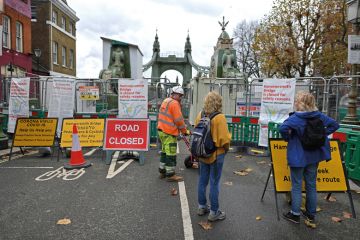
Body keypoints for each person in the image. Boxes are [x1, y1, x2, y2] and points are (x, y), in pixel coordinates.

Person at [279, 91, 339, 228]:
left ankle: (295, 214)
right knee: (311, 184)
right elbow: (335, 125)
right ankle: (310, 214)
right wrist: (322, 135)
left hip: (297, 157)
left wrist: (287, 138)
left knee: (297, 186)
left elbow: (282, 128)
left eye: (296, 101)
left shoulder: (295, 119)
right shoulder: (320, 117)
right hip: (314, 156)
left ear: (300, 103)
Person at [195, 91, 231, 222]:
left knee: (202, 181)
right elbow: (224, 140)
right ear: (218, 103)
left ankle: (201, 207)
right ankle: (214, 212)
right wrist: (226, 150)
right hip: (216, 154)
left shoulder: (200, 114)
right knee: (214, 183)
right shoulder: (219, 117)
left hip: (202, 153)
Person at [157, 86, 190, 182]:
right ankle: (170, 174)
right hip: (169, 132)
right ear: (176, 95)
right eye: (180, 96)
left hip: (161, 131)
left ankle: (162, 171)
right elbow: (179, 121)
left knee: (164, 152)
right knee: (171, 154)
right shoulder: (175, 104)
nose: (181, 98)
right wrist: (184, 131)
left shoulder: (166, 101)